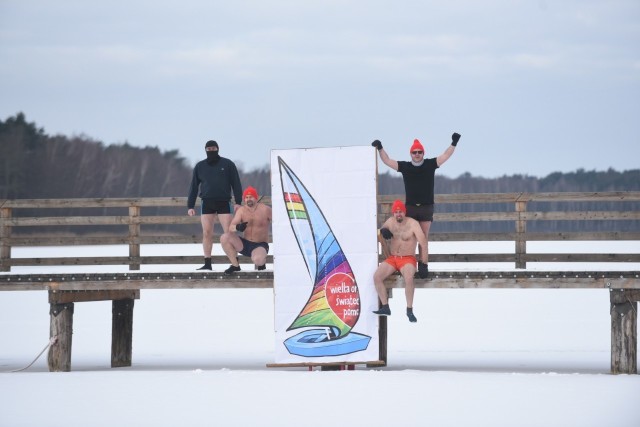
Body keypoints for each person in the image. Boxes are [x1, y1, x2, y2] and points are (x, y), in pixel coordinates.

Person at [371, 132, 461, 276]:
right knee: (407, 235)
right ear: (411, 154)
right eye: (414, 152)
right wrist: (380, 147)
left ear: (423, 153)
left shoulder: (430, 164)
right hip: (411, 208)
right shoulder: (405, 167)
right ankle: (405, 263)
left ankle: (423, 266)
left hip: (426, 207)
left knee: (423, 238)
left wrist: (454, 143)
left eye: (419, 152)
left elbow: (445, 155)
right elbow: (387, 160)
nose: (417, 154)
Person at [187, 140, 243, 270]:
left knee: (229, 233)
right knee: (207, 233)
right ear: (205, 150)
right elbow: (193, 187)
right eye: (209, 149)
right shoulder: (200, 166)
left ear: (218, 149)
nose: (211, 151)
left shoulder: (228, 164)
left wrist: (238, 202)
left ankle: (235, 263)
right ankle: (207, 263)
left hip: (224, 202)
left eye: (213, 148)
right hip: (207, 202)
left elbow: (236, 183)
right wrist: (190, 206)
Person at [372, 200, 429, 322]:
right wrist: (382, 231)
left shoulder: (413, 224)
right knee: (377, 277)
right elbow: (380, 231)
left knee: (408, 278)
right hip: (393, 258)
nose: (398, 214)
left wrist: (424, 263)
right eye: (396, 212)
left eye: (401, 212)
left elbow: (423, 243)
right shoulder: (391, 221)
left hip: (408, 258)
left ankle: (409, 310)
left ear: (404, 212)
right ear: (393, 213)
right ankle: (385, 306)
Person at [220, 186, 272, 274]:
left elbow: (278, 222)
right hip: (245, 244)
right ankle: (235, 266)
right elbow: (231, 228)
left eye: (251, 197)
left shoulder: (265, 209)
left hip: (260, 245)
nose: (248, 199)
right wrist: (238, 227)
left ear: (256, 198)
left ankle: (261, 264)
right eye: (246, 197)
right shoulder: (241, 210)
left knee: (257, 259)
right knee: (224, 237)